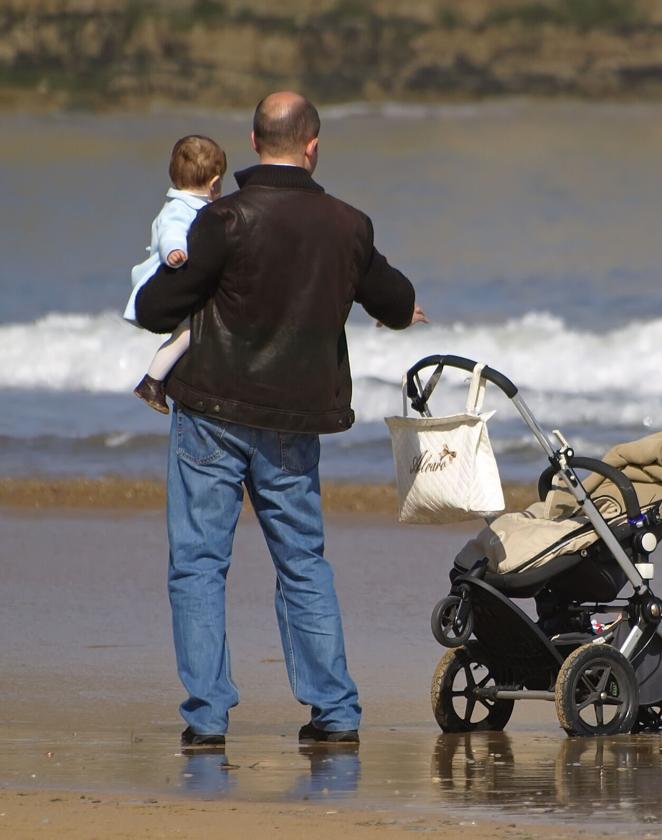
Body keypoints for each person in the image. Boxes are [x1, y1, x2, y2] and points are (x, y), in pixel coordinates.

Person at [136, 91, 427, 750]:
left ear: (253, 139)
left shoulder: (223, 220)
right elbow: (396, 298)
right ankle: (336, 712)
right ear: (313, 146)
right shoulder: (348, 225)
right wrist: (398, 306)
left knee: (199, 566)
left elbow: (159, 309)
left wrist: (171, 267)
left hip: (210, 411)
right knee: (302, 564)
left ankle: (208, 718)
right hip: (293, 422)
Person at [125, 135, 227, 414]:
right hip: (165, 278)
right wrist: (175, 251)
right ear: (214, 183)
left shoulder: (195, 206)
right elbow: (171, 231)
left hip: (179, 280)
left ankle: (161, 378)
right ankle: (151, 381)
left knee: (188, 333)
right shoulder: (179, 208)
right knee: (189, 332)